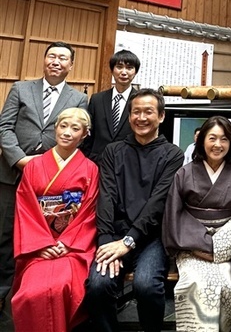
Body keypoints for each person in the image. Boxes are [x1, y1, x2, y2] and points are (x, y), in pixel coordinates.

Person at [84, 88, 184, 332]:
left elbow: (157, 203)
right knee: (98, 285)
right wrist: (107, 241)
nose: (141, 117)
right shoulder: (113, 151)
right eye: (136, 112)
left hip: (151, 238)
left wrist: (129, 241)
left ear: (161, 116)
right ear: (129, 117)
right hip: (114, 235)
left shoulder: (173, 154)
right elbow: (105, 196)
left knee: (146, 286)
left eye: (148, 112)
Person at [0, 41, 87, 309]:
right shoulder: (21, 88)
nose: (56, 61)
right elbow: (4, 127)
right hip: (12, 172)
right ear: (44, 60)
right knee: (4, 232)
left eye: (63, 58)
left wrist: (47, 165)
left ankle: (25, 287)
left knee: (38, 232)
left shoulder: (79, 98)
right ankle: (2, 292)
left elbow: (75, 136)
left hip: (49, 181)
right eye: (51, 56)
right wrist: (21, 160)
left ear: (71, 65)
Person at [11, 107, 98, 332]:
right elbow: (26, 209)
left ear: (85, 134)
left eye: (75, 128)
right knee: (31, 292)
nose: (67, 132)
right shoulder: (34, 166)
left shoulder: (90, 169)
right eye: (63, 126)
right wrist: (41, 245)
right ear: (55, 128)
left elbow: (88, 212)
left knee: (62, 287)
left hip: (71, 248)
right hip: (39, 246)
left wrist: (67, 244)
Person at [162, 116, 231, 331]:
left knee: (224, 284)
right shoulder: (185, 173)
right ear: (201, 141)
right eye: (212, 138)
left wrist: (220, 247)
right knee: (196, 283)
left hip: (227, 250)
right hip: (190, 248)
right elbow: (174, 213)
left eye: (224, 139)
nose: (218, 145)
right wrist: (199, 247)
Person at [82, 49, 140, 164]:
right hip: (97, 161)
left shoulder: (140, 101)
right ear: (112, 70)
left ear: (135, 72)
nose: (124, 72)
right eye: (119, 67)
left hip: (129, 162)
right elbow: (89, 133)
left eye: (129, 68)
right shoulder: (97, 99)